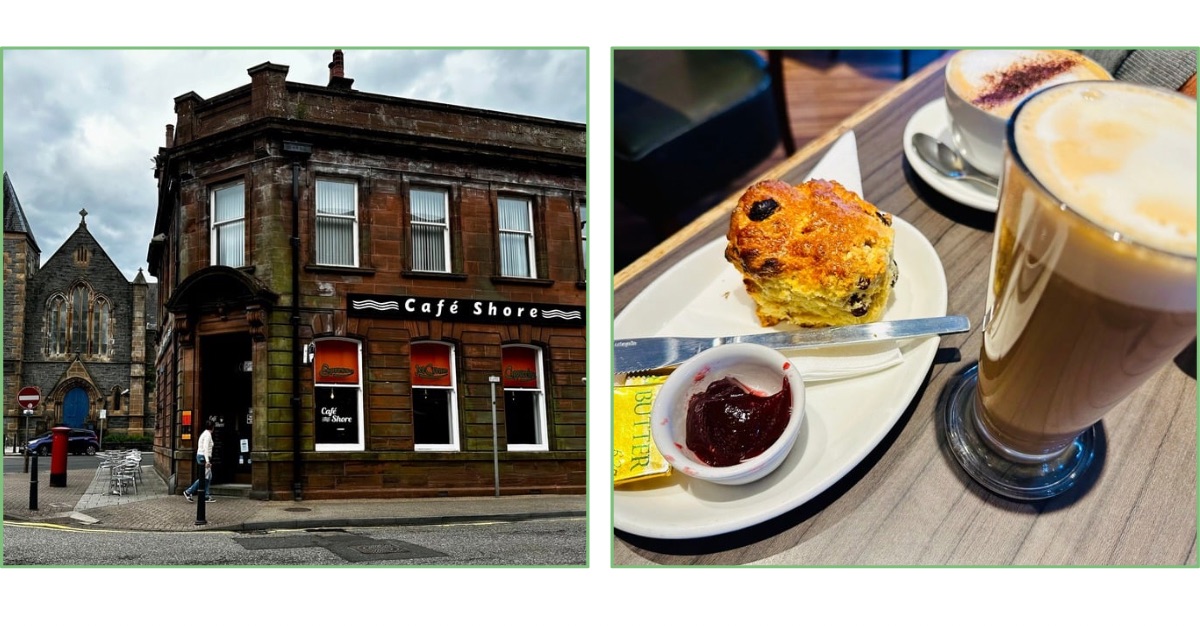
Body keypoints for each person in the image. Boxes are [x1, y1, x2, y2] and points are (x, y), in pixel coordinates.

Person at [182, 419, 216, 503]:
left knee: (208, 477)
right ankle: (188, 491)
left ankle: (206, 496)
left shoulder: (205, 433)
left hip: (202, 456)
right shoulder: (207, 435)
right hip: (203, 457)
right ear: (213, 427)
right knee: (203, 477)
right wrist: (207, 461)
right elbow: (205, 448)